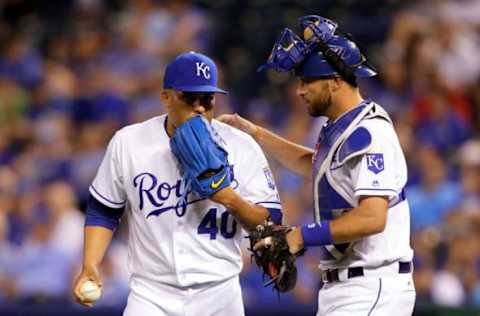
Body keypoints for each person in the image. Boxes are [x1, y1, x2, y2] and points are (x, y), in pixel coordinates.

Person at [219, 16, 415, 315]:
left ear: (336, 81)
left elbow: (373, 218)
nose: (300, 90)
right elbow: (317, 167)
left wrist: (301, 235)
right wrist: (256, 134)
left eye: (308, 81)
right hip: (348, 288)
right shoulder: (341, 127)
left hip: (373, 284)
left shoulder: (372, 133)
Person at [72, 51, 282, 316]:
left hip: (219, 293)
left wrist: (228, 197)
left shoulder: (241, 147)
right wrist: (90, 264)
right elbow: (103, 209)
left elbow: (271, 221)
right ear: (166, 98)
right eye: (189, 97)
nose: (199, 107)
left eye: (207, 99)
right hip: (151, 294)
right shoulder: (129, 142)